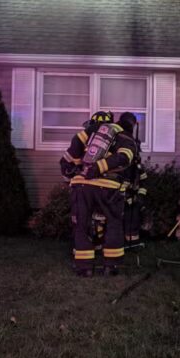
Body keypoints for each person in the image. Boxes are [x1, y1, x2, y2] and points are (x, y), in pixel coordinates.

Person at [59, 111, 139, 277]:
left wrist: (71, 173)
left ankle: (84, 267)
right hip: (108, 185)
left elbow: (72, 152)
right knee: (114, 223)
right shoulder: (124, 136)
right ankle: (110, 266)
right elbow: (124, 157)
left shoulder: (90, 131)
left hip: (81, 184)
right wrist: (100, 167)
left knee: (82, 225)